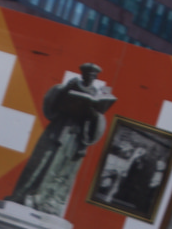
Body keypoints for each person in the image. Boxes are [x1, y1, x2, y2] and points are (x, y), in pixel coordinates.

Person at [9, 62, 116, 216]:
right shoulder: (69, 86)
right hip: (59, 130)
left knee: (64, 169)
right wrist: (65, 92)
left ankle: (49, 202)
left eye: (93, 76)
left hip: (77, 136)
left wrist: (94, 114)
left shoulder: (96, 94)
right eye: (87, 75)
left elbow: (98, 122)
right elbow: (52, 104)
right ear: (83, 74)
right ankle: (27, 194)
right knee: (43, 160)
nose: (89, 78)